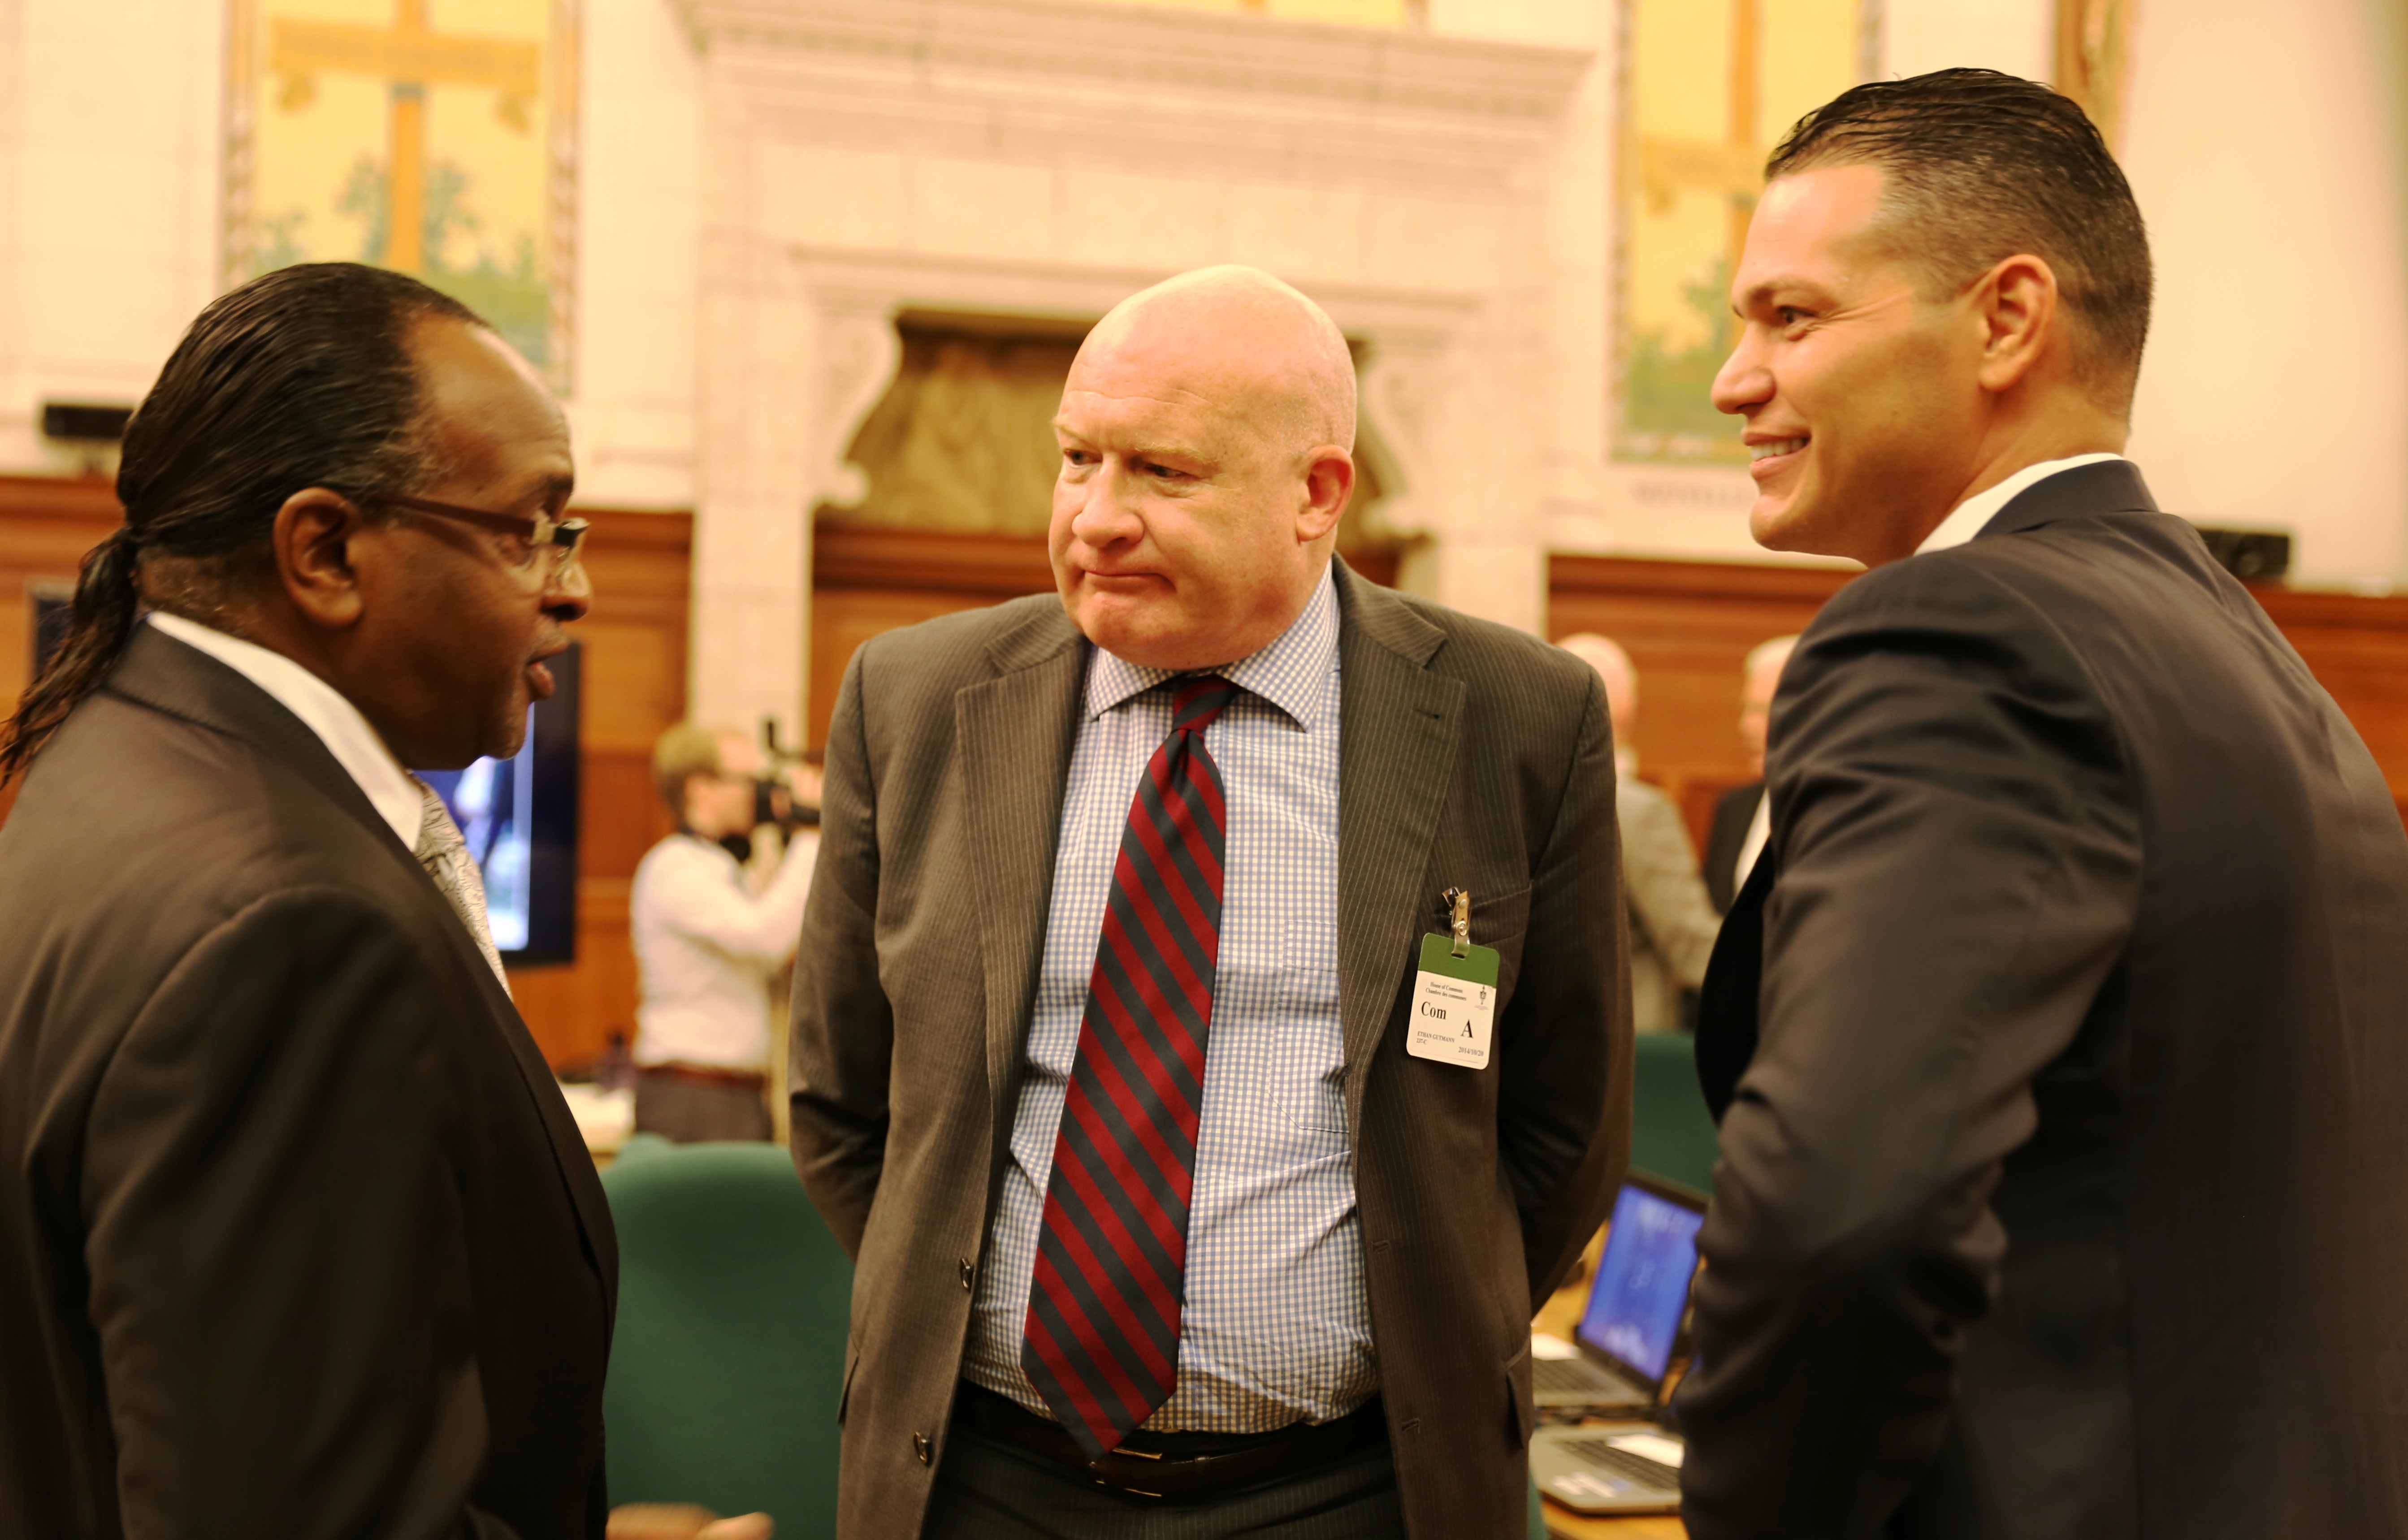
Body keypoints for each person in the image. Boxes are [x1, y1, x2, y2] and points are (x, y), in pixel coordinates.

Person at [1678, 69, 2408, 1538]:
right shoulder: (2248, 653)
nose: (1732, 379)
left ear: (2007, 319)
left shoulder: (1956, 633)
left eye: (1791, 316)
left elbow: (1847, 1209)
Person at [788, 265, 1629, 1539]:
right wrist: (943, 1306)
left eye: (1162, 472)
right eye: (1077, 458)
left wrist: (1436, 1327)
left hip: (1351, 1492)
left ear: (1316, 493)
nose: (1095, 518)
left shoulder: (1513, 718)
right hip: (982, 1482)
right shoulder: (916, 700)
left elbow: (1566, 1127)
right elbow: (841, 1098)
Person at [630, 722, 816, 1142]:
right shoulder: (675, 867)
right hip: (694, 1095)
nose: (759, 793)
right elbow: (764, 938)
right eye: (749, 780)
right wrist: (810, 836)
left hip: (731, 1093)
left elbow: (769, 956)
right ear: (701, 790)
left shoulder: (724, 869)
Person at [1557, 633, 1719, 1031]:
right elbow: (1692, 945)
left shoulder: (1521, 800)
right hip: (1630, 1036)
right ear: (1628, 708)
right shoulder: (1639, 813)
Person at [1699, 634, 1796, 913]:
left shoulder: (1841, 813)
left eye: (1764, 712)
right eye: (1747, 709)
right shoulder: (1732, 809)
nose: (1748, 726)